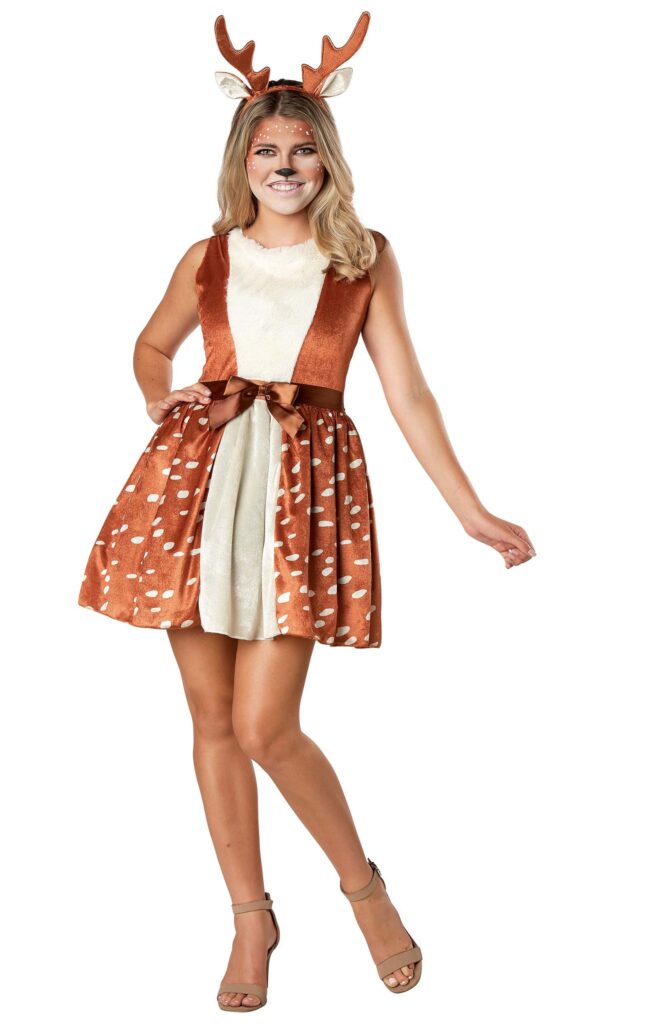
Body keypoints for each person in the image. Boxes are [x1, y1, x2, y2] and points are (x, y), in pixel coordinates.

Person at [78, 11, 536, 1011]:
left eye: (301, 151)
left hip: (300, 491)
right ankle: (250, 917)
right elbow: (150, 347)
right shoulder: (207, 257)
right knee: (211, 719)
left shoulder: (360, 258)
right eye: (267, 152)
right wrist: (159, 396)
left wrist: (469, 509)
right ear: (241, 161)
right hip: (197, 483)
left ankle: (364, 889)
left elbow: (408, 392)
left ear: (328, 159)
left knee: (265, 725)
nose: (284, 167)